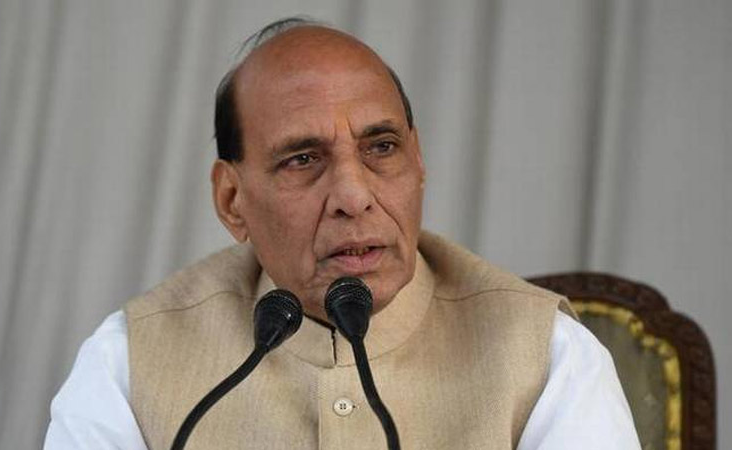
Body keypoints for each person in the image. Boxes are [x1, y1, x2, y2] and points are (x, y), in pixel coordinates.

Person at [44, 18, 641, 449]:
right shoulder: (129, 361)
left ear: (418, 162)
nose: (354, 197)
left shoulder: (546, 354)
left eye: (381, 148)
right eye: (303, 159)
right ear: (232, 200)